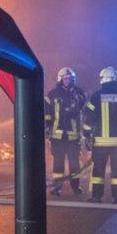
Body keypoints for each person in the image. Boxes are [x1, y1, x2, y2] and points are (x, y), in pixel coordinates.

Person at [81, 67, 117, 203]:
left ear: (102, 80)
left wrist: (86, 135)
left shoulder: (96, 96)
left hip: (100, 142)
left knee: (98, 170)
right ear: (116, 80)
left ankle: (97, 196)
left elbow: (89, 118)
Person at [44, 66, 85, 196]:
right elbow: (47, 113)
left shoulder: (79, 94)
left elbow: (84, 112)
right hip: (57, 136)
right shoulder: (52, 94)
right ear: (60, 79)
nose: (67, 80)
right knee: (58, 163)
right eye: (65, 78)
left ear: (73, 79)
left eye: (69, 78)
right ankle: (58, 187)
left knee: (74, 163)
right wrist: (46, 128)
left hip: (73, 136)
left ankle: (76, 187)